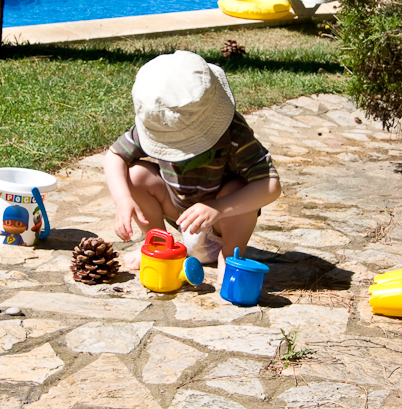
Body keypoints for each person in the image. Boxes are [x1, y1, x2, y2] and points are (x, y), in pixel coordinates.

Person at [103, 50, 281, 284]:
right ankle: (157, 243)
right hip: (180, 213)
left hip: (220, 222)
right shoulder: (160, 123)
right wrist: (123, 199)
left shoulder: (233, 133)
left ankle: (228, 256)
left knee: (238, 187)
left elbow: (270, 185)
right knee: (136, 175)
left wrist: (218, 207)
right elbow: (114, 156)